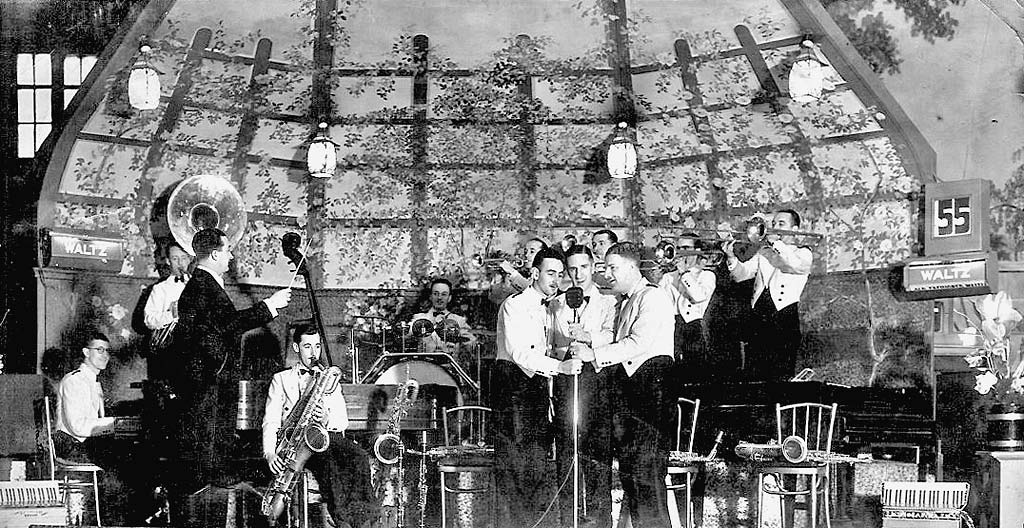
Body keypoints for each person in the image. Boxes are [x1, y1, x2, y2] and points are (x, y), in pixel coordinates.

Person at [171, 228, 292, 507]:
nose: (232, 256)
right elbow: (229, 325)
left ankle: (216, 480)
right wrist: (269, 306)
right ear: (214, 254)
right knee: (211, 437)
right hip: (212, 379)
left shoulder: (203, 284)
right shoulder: (203, 285)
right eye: (228, 250)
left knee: (215, 435)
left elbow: (222, 326)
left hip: (214, 377)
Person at [572, 242, 675, 528]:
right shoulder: (629, 300)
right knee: (634, 479)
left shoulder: (652, 298)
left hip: (651, 395)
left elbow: (638, 342)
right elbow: (619, 340)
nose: (608, 274)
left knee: (647, 480)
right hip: (634, 397)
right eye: (605, 268)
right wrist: (589, 338)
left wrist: (595, 355)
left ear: (632, 267)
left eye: (613, 268)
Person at [493, 247, 582, 527]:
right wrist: (560, 368)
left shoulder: (552, 306)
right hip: (512, 389)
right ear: (534, 274)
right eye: (550, 273)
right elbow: (519, 353)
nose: (557, 280)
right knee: (513, 471)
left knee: (535, 467)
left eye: (560, 274)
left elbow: (552, 349)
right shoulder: (515, 305)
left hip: (537, 390)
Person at [263, 324, 375, 528]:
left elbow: (342, 421)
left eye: (317, 346)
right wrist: (270, 453)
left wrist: (326, 417)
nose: (314, 353)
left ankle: (365, 521)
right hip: (297, 443)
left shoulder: (328, 378)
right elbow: (270, 420)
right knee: (330, 466)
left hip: (324, 436)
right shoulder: (280, 379)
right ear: (296, 348)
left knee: (358, 456)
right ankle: (343, 524)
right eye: (307, 346)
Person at [548, 245, 616, 528]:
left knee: (597, 453)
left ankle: (599, 522)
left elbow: (613, 335)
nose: (577, 275)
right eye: (572, 269)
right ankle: (569, 521)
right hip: (566, 378)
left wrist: (589, 337)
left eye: (583, 268)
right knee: (566, 452)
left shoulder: (609, 302)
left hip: (597, 380)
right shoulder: (556, 302)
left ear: (593, 267)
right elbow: (550, 340)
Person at [54, 331, 138, 524]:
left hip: (85, 443)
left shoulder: (93, 382)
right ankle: (116, 520)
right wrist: (116, 424)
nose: (105, 355)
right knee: (127, 460)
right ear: (85, 352)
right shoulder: (74, 380)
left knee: (131, 453)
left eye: (107, 351)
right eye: (99, 350)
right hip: (72, 445)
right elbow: (79, 427)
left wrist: (118, 425)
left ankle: (122, 517)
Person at [723, 210, 812, 381]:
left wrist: (777, 244)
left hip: (783, 319)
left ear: (795, 229)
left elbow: (793, 265)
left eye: (781, 224)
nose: (775, 227)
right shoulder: (764, 252)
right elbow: (740, 275)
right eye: (774, 224)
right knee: (754, 375)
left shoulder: (803, 253)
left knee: (779, 377)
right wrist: (731, 257)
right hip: (758, 318)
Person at [658, 234, 716, 381]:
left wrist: (684, 272)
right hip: (672, 327)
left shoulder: (707, 275)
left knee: (694, 373)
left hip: (694, 327)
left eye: (685, 248)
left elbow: (699, 296)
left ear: (697, 251)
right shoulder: (668, 277)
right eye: (678, 248)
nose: (680, 252)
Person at [410, 278, 477, 365]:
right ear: (430, 296)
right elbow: (406, 335)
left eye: (444, 294)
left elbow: (471, 344)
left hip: (450, 370)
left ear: (449, 298)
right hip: (424, 368)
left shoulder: (459, 320)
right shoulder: (419, 318)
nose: (439, 298)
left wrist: (459, 338)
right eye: (435, 294)